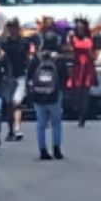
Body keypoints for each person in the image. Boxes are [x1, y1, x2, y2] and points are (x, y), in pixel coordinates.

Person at [28, 29, 66, 160]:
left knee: (41, 122)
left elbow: (30, 75)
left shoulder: (37, 58)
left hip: (38, 94)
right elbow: (64, 76)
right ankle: (56, 147)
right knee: (56, 121)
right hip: (55, 94)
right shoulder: (58, 58)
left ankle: (42, 149)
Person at [1, 18, 30, 141]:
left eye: (15, 27)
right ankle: (11, 128)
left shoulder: (24, 43)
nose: (13, 29)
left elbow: (27, 58)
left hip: (20, 75)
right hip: (7, 76)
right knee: (9, 104)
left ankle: (17, 128)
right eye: (10, 27)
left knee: (16, 102)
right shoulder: (3, 43)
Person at [67, 17, 97, 127]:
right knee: (78, 90)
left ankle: (82, 115)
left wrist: (91, 54)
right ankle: (77, 107)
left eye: (81, 27)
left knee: (86, 91)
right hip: (77, 66)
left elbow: (94, 54)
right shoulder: (73, 38)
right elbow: (69, 49)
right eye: (78, 27)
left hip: (87, 66)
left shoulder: (90, 38)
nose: (80, 29)